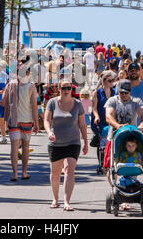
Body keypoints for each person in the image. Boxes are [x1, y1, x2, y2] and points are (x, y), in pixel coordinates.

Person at [44, 79, 88, 211]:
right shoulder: (52, 103)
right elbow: (46, 120)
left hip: (73, 142)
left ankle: (67, 201)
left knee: (69, 170)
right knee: (55, 173)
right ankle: (55, 199)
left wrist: (85, 142)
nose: (66, 91)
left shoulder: (78, 104)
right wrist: (49, 131)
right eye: (64, 88)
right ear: (59, 89)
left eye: (69, 88)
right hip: (56, 142)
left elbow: (82, 125)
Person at [103, 79, 143, 210]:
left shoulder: (136, 101)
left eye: (126, 93)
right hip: (115, 137)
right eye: (121, 92)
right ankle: (115, 191)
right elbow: (108, 116)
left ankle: (128, 189)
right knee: (112, 166)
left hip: (130, 137)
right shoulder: (113, 100)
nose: (123, 95)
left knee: (133, 162)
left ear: (130, 92)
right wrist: (118, 126)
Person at [1, 65, 39, 181]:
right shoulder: (31, 87)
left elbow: (3, 102)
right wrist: (36, 123)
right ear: (27, 74)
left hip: (14, 120)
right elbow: (34, 106)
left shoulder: (10, 85)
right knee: (26, 147)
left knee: (14, 148)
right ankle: (24, 172)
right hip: (27, 120)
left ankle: (15, 174)